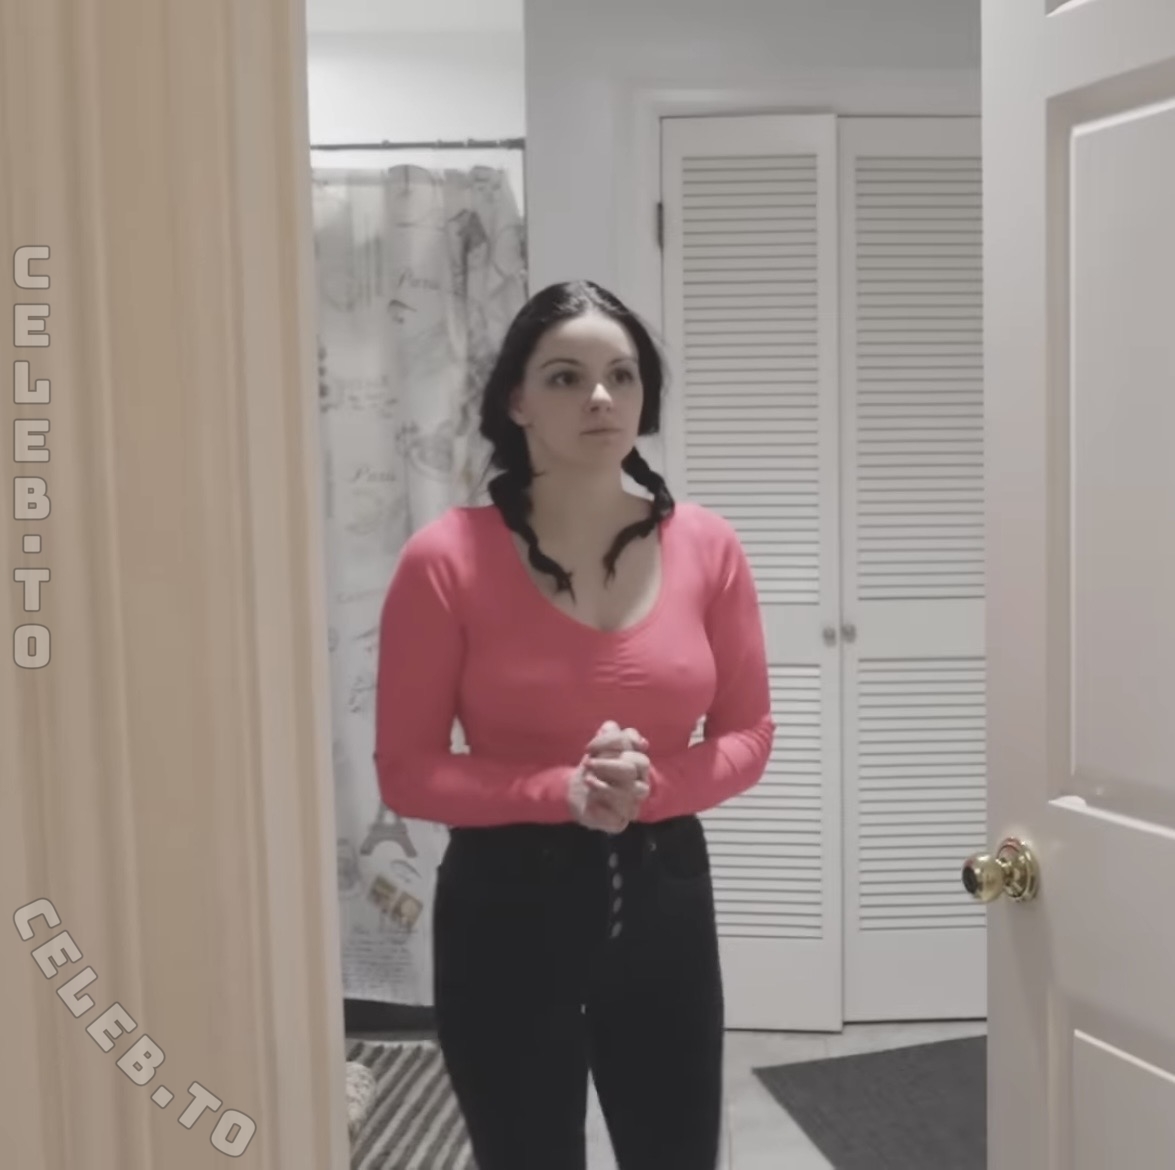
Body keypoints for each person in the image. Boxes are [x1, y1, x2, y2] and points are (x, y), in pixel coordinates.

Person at [372, 279, 775, 1170]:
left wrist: (650, 788)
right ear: (516, 400)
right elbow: (407, 769)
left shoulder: (708, 546)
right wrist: (562, 792)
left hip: (664, 899)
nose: (600, 396)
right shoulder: (444, 559)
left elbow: (748, 736)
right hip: (502, 910)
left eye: (621, 375)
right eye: (565, 377)